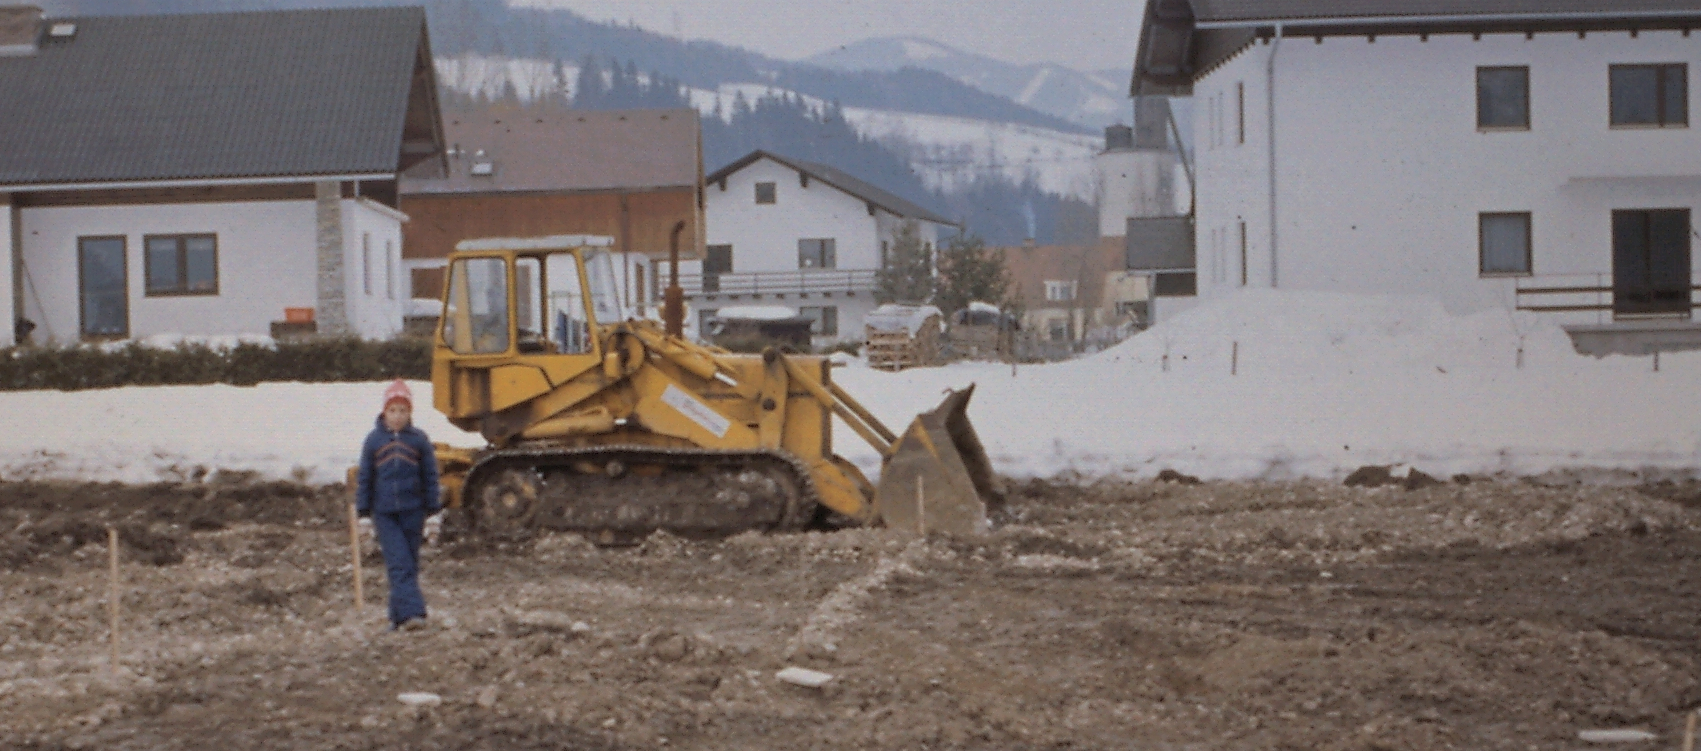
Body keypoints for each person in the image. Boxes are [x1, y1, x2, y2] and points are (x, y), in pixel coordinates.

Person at [356, 379, 441, 631]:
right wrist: (363, 515)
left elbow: (430, 477)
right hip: (384, 513)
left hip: (413, 511)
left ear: (410, 412)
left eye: (403, 410)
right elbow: (365, 478)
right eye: (393, 410)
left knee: (409, 565)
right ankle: (416, 614)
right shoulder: (373, 441)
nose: (397, 416)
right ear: (384, 411)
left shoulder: (419, 441)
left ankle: (396, 618)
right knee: (398, 562)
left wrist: (434, 513)